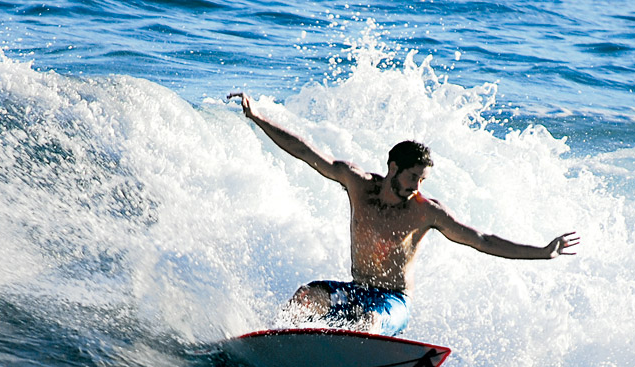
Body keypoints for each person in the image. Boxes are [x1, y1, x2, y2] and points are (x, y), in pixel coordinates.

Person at [231, 92, 579, 336]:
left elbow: (480, 239)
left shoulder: (425, 212)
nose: (416, 186)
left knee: (366, 322)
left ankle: (352, 365)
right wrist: (257, 117)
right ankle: (278, 348)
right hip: (357, 289)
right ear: (393, 168)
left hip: (392, 303)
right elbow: (307, 153)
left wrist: (542, 251)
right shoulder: (358, 185)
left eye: (422, 180)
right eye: (413, 177)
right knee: (306, 297)